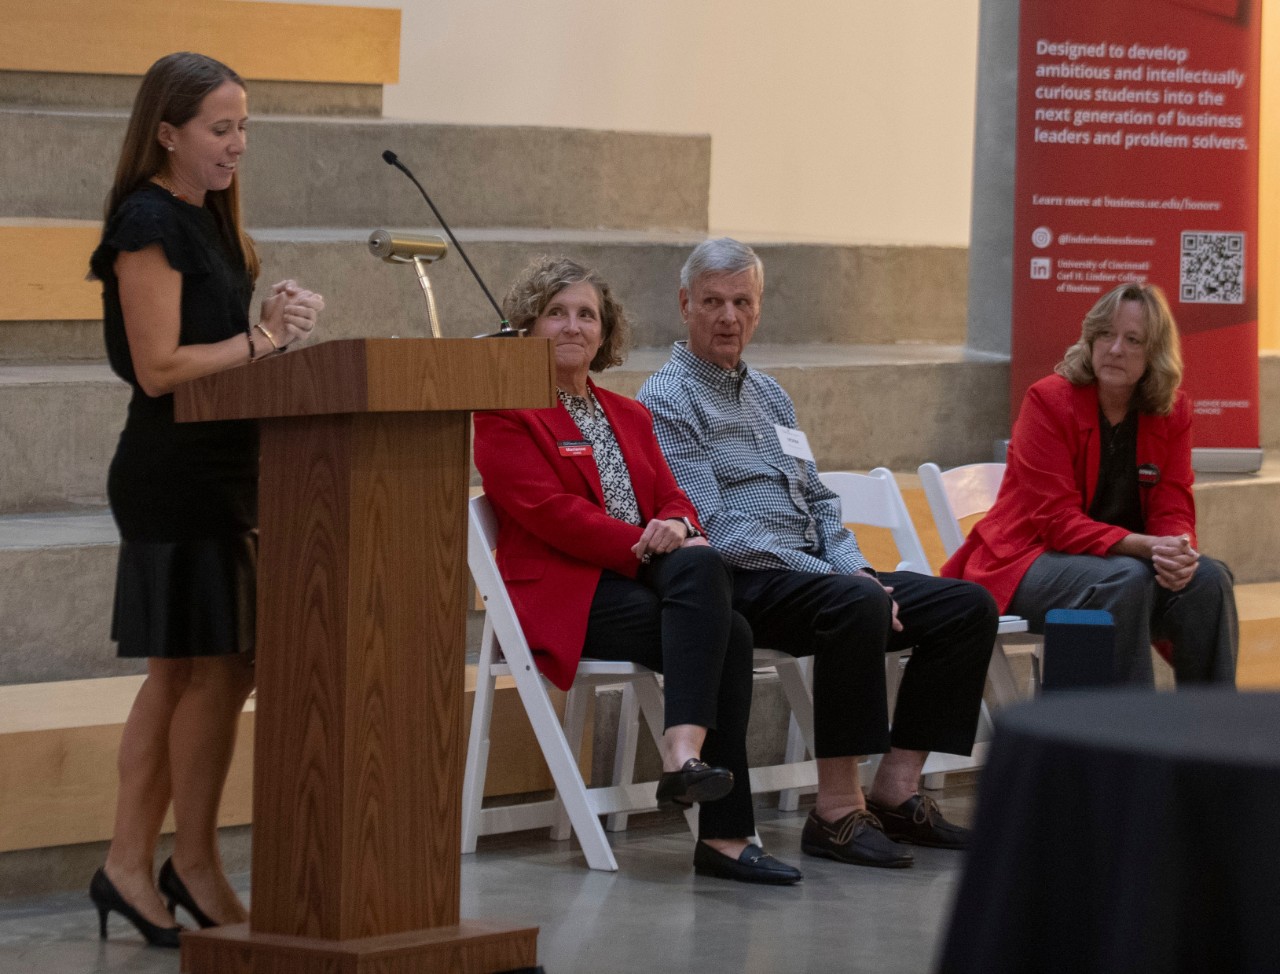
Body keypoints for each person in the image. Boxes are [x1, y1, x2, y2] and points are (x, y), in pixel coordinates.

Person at [638, 237, 997, 869]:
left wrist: (854, 567)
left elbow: (819, 502)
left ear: (759, 307)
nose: (728, 316)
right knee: (855, 602)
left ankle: (897, 788)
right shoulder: (667, 399)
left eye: (742, 301)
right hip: (743, 581)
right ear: (684, 304)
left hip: (820, 574)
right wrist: (841, 580)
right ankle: (835, 810)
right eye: (713, 301)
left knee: (966, 605)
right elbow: (716, 527)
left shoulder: (771, 394)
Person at [87, 52, 325, 947]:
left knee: (203, 670)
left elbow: (218, 346)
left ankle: (161, 862)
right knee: (196, 669)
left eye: (244, 127)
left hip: (223, 468)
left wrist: (273, 326)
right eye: (221, 129)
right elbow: (159, 370)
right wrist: (262, 338)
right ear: (168, 133)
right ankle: (166, 863)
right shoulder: (149, 220)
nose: (237, 145)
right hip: (172, 476)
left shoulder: (209, 217)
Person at [473, 255, 801, 885]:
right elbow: (551, 515)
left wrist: (675, 524)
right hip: (565, 592)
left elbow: (673, 495)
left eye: (587, 315)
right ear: (528, 327)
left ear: (605, 332)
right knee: (721, 620)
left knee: (715, 597)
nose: (573, 326)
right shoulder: (505, 412)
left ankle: (685, 762)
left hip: (642, 580)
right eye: (556, 313)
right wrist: (647, 544)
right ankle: (720, 827)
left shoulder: (631, 415)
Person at [941, 282, 1237, 686]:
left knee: (1208, 580)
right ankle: (1123, 738)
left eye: (1133, 340)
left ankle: (1210, 737)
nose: (1115, 349)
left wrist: (1176, 550)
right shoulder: (1047, 400)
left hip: (1119, 570)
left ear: (1154, 354)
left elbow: (1173, 505)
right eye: (1105, 334)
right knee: (1125, 579)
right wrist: (1145, 547)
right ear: (1090, 338)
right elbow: (1057, 522)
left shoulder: (1172, 411)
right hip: (1028, 561)